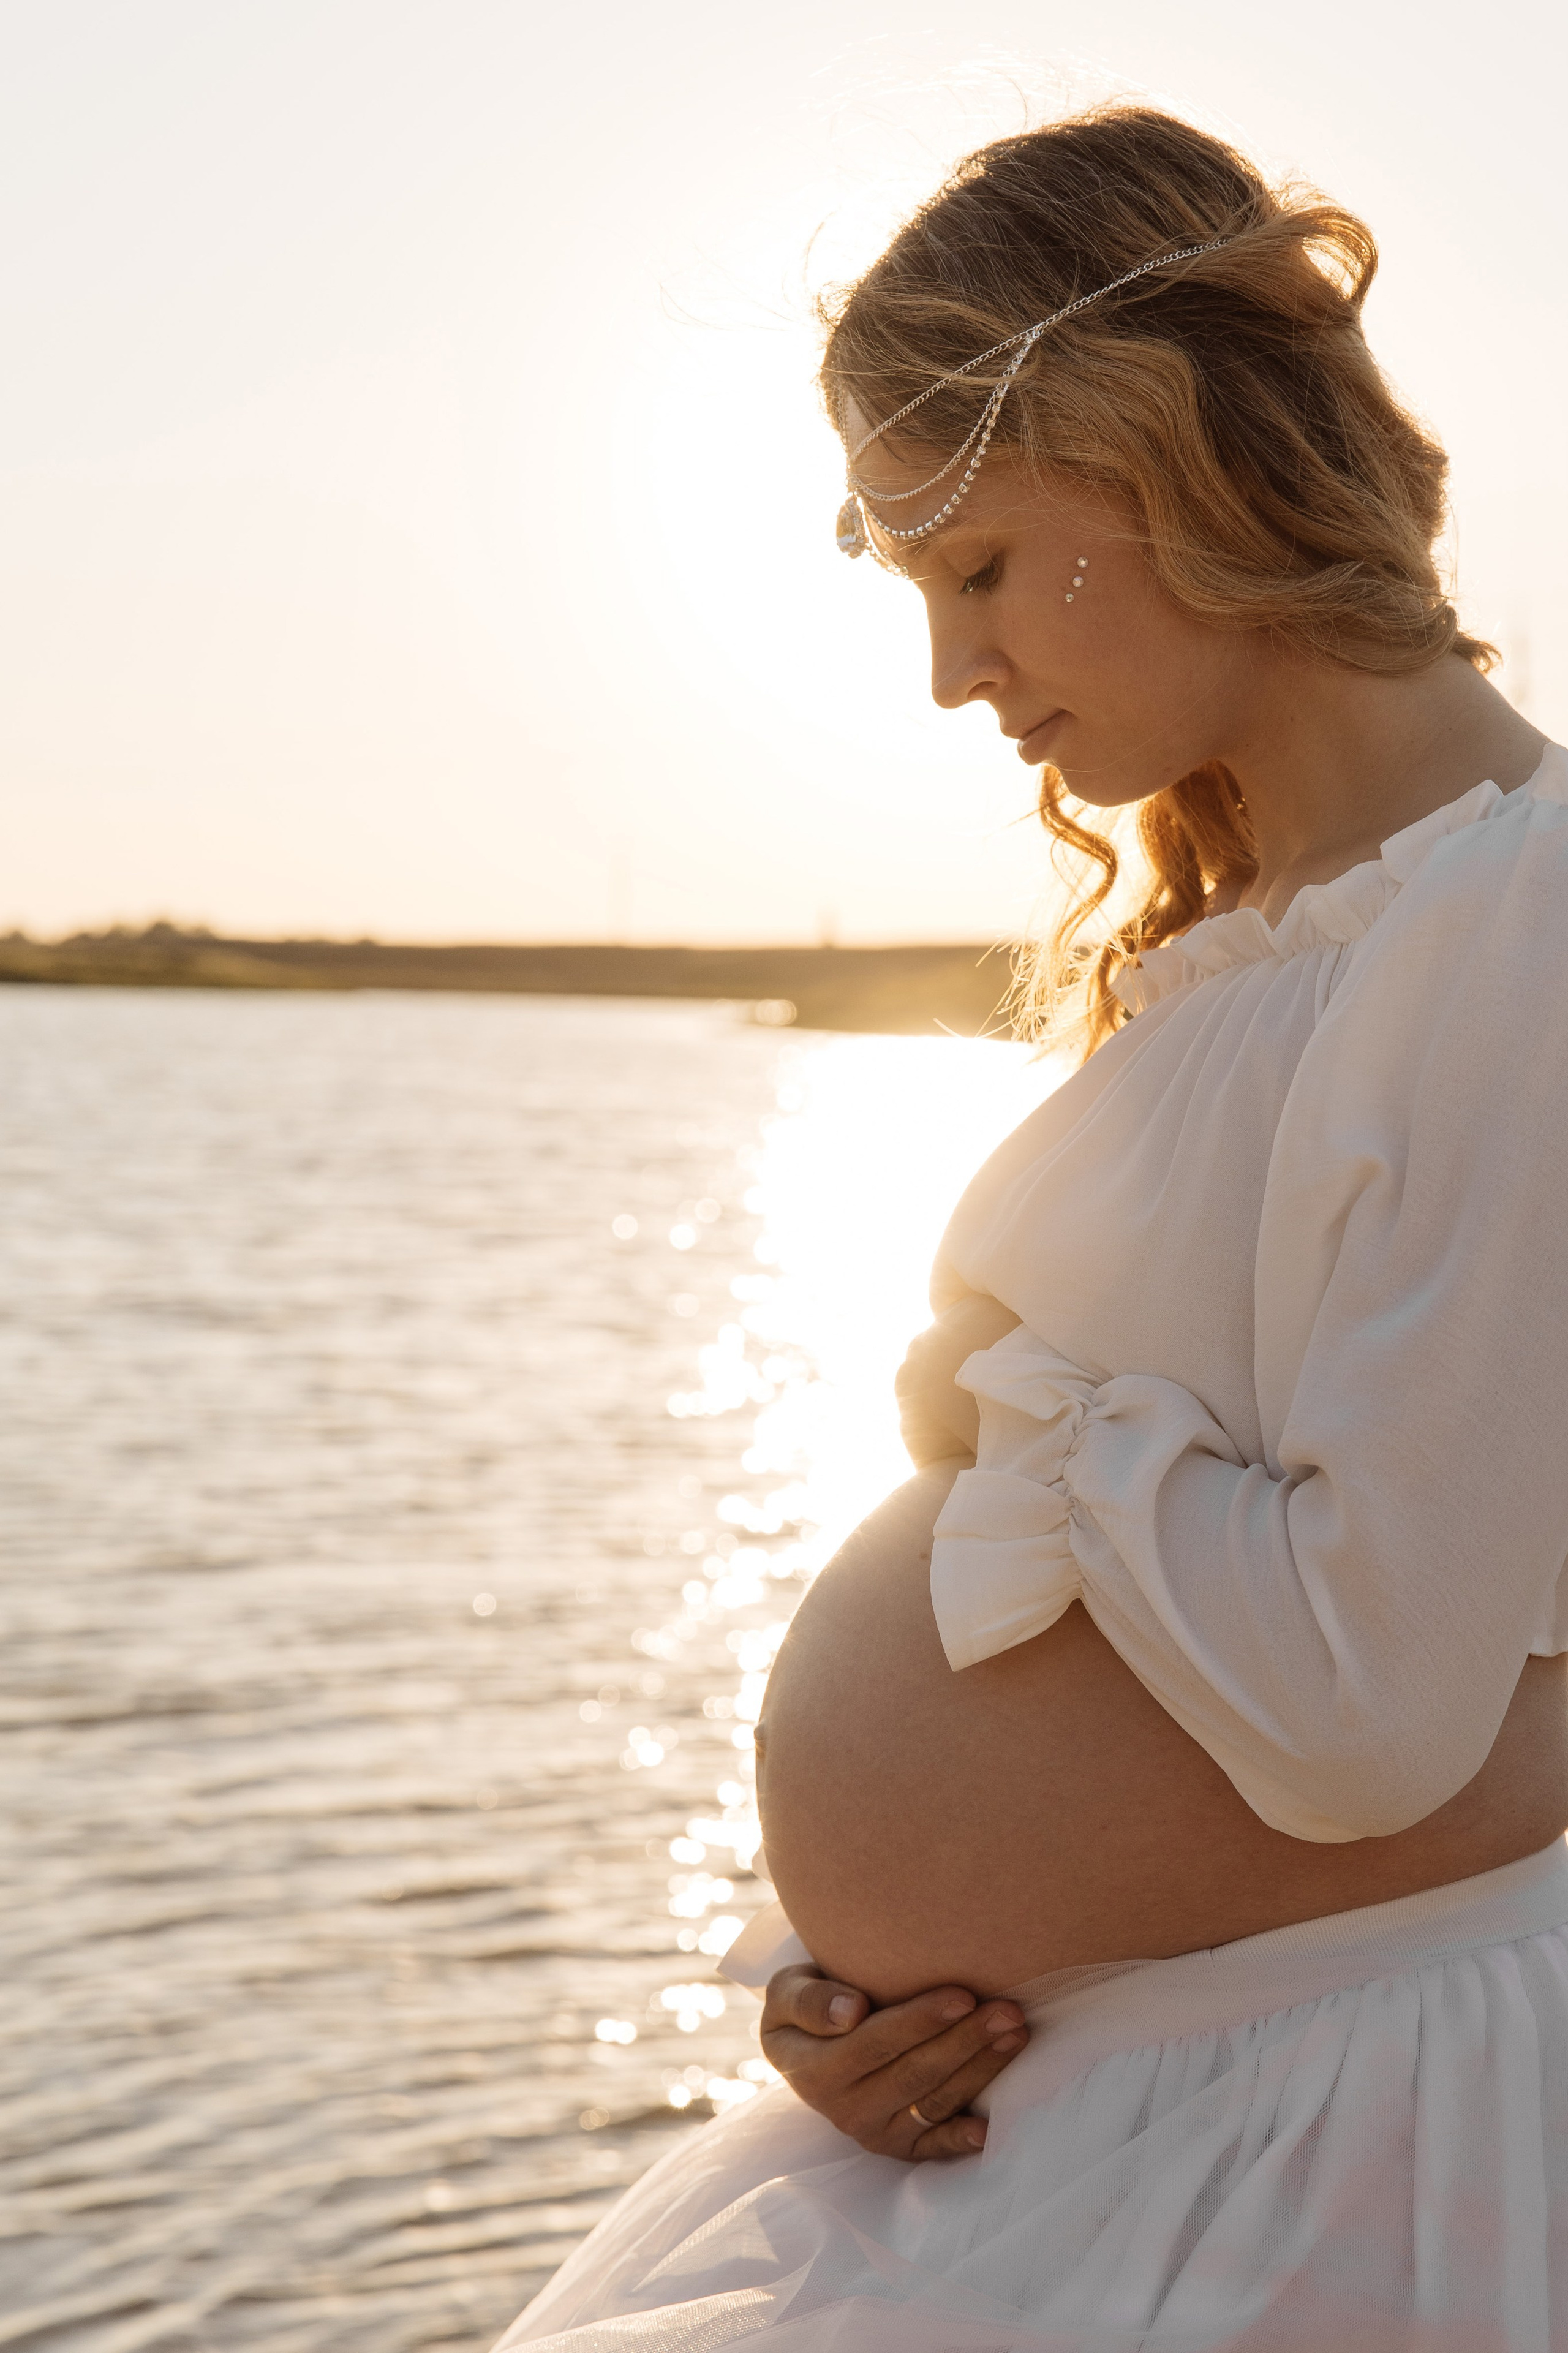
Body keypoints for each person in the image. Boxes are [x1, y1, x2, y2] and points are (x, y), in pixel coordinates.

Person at [494, 105, 1568, 2350]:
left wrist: (1019, 1407)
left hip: (1341, 2129)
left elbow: (1379, 1698)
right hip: (1126, 2089)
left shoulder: (1520, 915)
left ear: (1158, 448)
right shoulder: (1268, 940)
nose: (952, 677)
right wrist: (872, 1977)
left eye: (973, 564)